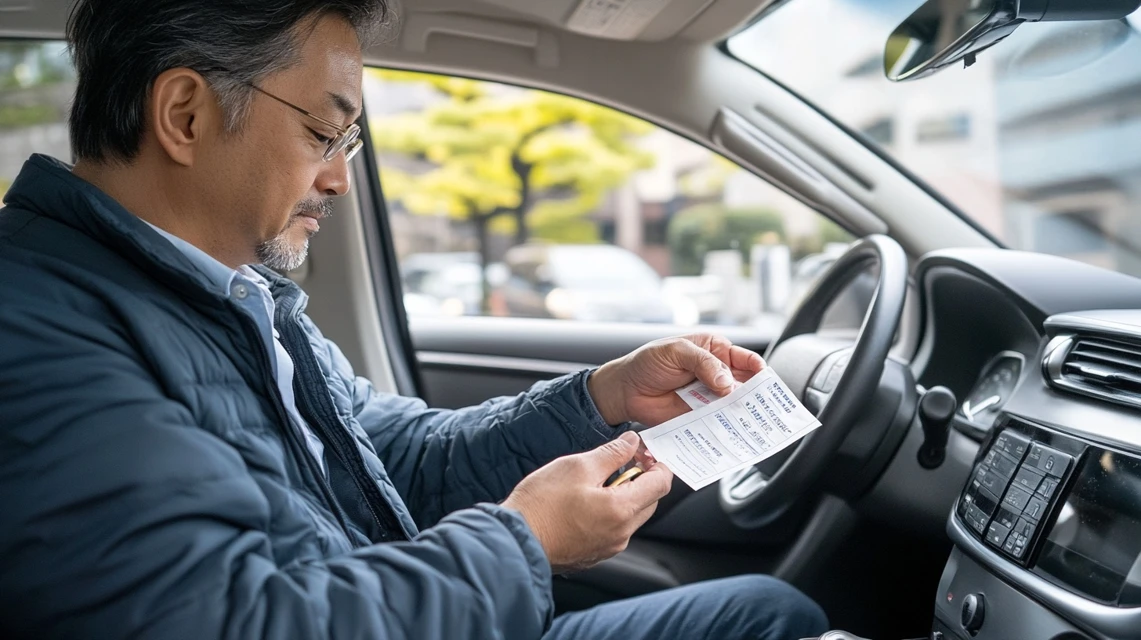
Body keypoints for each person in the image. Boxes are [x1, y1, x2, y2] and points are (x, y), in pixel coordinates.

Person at [0, 1, 828, 638]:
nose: (338, 180)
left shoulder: (239, 299)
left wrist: (601, 400)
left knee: (764, 609)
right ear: (184, 114)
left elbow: (402, 462)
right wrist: (525, 545)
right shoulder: (36, 329)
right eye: (324, 132)